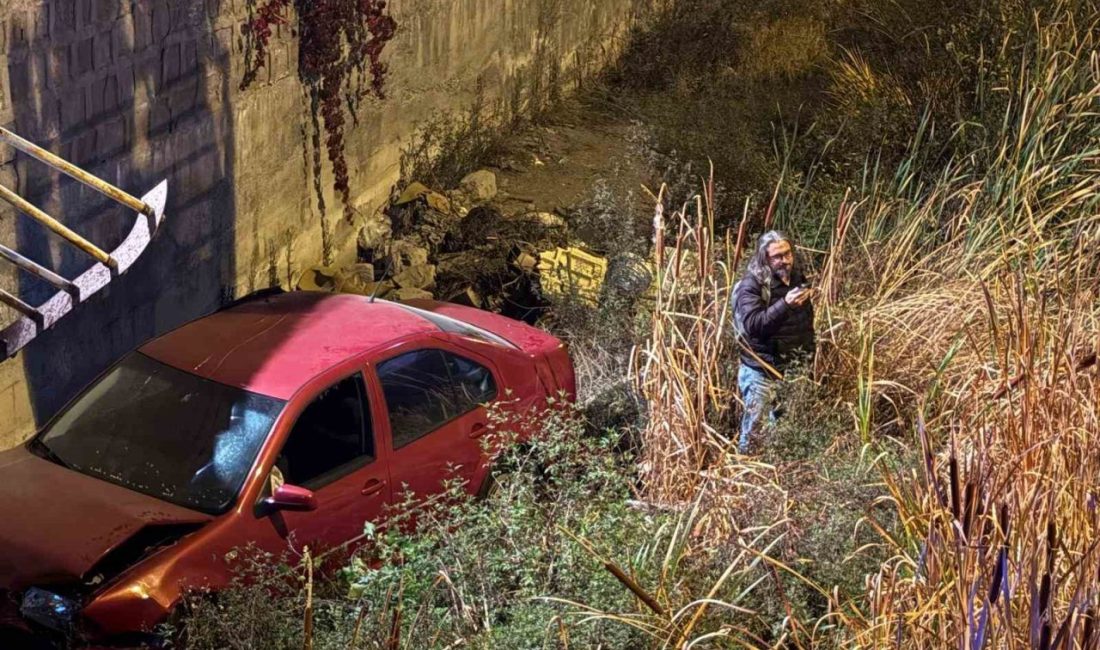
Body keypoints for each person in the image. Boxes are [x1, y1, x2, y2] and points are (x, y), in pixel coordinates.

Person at [732, 230, 816, 453]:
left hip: (792, 366)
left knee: (783, 424)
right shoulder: (752, 285)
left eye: (787, 254)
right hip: (761, 368)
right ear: (764, 258)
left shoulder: (797, 277)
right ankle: (746, 468)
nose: (785, 260)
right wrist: (785, 305)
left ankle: (777, 466)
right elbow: (754, 325)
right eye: (777, 256)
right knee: (754, 430)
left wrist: (809, 352)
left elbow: (805, 319)